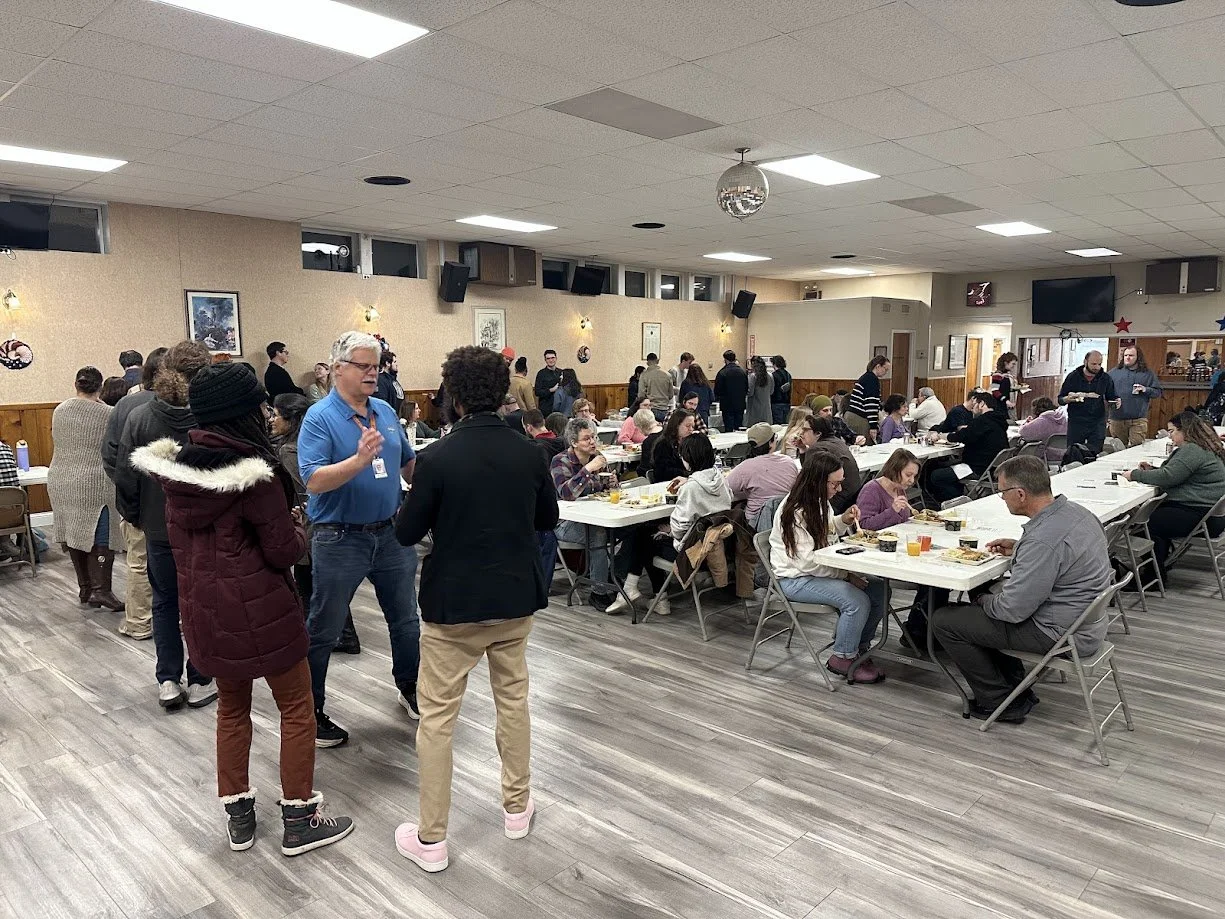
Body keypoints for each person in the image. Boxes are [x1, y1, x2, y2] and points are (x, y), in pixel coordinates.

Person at [130, 363, 355, 854]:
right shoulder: (256, 476)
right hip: (265, 610)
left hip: (207, 614)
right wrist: (297, 526)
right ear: (242, 414)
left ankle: (239, 821)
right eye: (259, 406)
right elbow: (283, 552)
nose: (266, 412)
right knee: (296, 710)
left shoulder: (177, 473)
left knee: (232, 711)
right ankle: (299, 819)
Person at [394, 345, 558, 873]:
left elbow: (407, 531)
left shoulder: (437, 458)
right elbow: (546, 517)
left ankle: (433, 838)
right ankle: (517, 807)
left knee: (438, 718)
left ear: (455, 396)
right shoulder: (529, 452)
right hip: (515, 599)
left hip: (454, 605)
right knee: (513, 701)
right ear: (502, 391)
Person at [297, 331, 420, 748]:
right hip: (339, 539)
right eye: (365, 366)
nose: (374, 373)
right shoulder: (319, 417)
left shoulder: (384, 410)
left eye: (377, 365)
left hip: (390, 534)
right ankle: (310, 712)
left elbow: (407, 465)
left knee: (405, 620)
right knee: (324, 630)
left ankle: (411, 687)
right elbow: (313, 480)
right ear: (338, 369)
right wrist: (358, 460)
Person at [931, 456, 1112, 723]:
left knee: (945, 620)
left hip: (1058, 633)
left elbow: (1012, 610)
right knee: (981, 606)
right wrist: (1020, 549)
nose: (1001, 498)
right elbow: (1063, 558)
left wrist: (983, 599)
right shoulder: (1079, 514)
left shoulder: (1042, 539)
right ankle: (1015, 688)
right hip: (1085, 624)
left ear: (1020, 494)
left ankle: (998, 701)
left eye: (1002, 491)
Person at [116, 341, 217, 709]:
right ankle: (202, 677)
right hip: (204, 528)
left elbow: (126, 473)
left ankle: (169, 680)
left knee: (164, 603)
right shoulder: (209, 416)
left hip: (158, 525)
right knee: (203, 603)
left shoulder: (140, 417)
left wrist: (135, 515)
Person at [770, 451, 887, 683]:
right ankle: (842, 657)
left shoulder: (819, 502)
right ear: (817, 481)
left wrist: (841, 521)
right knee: (856, 600)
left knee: (879, 589)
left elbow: (824, 531)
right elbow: (807, 561)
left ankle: (858, 646)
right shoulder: (795, 511)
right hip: (794, 579)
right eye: (835, 484)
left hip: (814, 571)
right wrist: (845, 575)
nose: (839, 489)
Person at [273, 393, 361, 656]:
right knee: (324, 583)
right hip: (335, 518)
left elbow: (307, 489)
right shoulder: (323, 438)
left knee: (309, 583)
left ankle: (320, 638)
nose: (272, 419)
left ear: (291, 419)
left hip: (313, 520)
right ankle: (342, 635)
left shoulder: (290, 450)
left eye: (277, 415)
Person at [608, 434, 732, 616]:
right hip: (716, 545)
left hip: (694, 552)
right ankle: (644, 594)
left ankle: (641, 592)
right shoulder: (720, 479)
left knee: (645, 536)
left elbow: (680, 528)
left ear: (688, 459)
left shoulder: (691, 489)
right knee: (647, 534)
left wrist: (669, 530)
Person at [101, 347, 169, 641]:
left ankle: (140, 622)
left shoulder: (126, 406)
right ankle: (178, 619)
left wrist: (126, 489)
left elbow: (110, 453)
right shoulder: (184, 405)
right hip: (177, 499)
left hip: (137, 500)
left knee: (138, 562)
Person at [49, 366, 126, 612]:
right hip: (94, 480)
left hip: (61, 478)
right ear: (100, 387)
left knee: (75, 533)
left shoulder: (59, 410)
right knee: (100, 535)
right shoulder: (108, 413)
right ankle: (101, 591)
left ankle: (85, 587)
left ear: (76, 384)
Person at [1124, 412, 1225, 578]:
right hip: (1212, 515)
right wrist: (1153, 471)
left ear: (1184, 431)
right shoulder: (1204, 447)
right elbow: (1177, 474)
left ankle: (1154, 576)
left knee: (1145, 522)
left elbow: (1168, 477)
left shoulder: (1192, 450)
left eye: (1171, 431)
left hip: (1203, 518)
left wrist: (1134, 475)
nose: (1169, 436)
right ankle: (1161, 562)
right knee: (1154, 515)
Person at [550, 418, 628, 612]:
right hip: (563, 522)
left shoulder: (598, 457)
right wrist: (588, 469)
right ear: (574, 442)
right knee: (598, 533)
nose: (592, 442)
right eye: (586, 439)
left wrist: (612, 483)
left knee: (629, 528)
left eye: (593, 437)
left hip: (595, 514)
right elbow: (567, 494)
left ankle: (613, 575)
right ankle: (599, 592)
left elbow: (608, 491)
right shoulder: (560, 461)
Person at [926, 392, 1009, 505]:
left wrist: (940, 436)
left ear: (982, 404)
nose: (972, 409)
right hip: (991, 468)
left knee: (936, 475)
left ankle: (959, 502)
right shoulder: (998, 421)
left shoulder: (983, 421)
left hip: (976, 468)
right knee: (940, 466)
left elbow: (962, 435)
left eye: (974, 405)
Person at [726, 422, 799, 526]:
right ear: (771, 443)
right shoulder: (789, 462)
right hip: (787, 520)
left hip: (756, 524)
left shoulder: (746, 467)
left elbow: (725, 489)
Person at [1059, 350, 1118, 454]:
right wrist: (1067, 399)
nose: (1096, 367)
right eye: (1093, 364)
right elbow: (1060, 399)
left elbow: (1112, 397)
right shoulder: (1073, 377)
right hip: (1077, 421)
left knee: (1095, 453)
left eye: (1099, 364)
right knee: (1073, 452)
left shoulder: (1105, 378)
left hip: (1097, 421)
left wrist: (1117, 401)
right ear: (1085, 362)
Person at [1107, 346, 1162, 447]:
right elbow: (1104, 391)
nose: (1127, 358)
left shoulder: (1147, 374)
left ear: (1138, 357)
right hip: (1117, 418)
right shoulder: (1113, 373)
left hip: (1138, 419)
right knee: (1119, 449)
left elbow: (1157, 392)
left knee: (1136, 448)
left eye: (1131, 355)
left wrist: (1145, 389)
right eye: (1125, 355)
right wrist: (1111, 399)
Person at [808, 416, 861, 514]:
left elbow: (810, 477)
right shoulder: (837, 441)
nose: (801, 434)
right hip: (855, 493)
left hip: (839, 497)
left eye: (805, 430)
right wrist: (803, 450)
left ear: (818, 434)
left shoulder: (817, 448)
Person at [855, 449, 919, 530]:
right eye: (908, 475)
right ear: (894, 470)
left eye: (914, 476)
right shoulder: (871, 490)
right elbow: (863, 525)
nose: (912, 480)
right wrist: (892, 511)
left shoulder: (899, 488)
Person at [847, 356, 890, 441]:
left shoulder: (866, 377)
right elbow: (871, 404)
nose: (886, 372)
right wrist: (873, 426)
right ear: (878, 366)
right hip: (860, 418)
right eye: (885, 369)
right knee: (865, 446)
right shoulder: (872, 380)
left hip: (852, 415)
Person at [649, 409, 697, 484]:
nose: (691, 429)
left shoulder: (691, 442)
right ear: (676, 425)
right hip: (669, 484)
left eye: (692, 426)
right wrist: (689, 474)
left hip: (689, 482)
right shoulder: (663, 445)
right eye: (688, 426)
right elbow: (663, 472)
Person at [1017, 397, 1067, 463]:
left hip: (1047, 455)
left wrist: (1026, 423)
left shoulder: (1043, 420)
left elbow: (1023, 432)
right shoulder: (1062, 418)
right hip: (1064, 453)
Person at [714, 350, 748, 431]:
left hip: (727, 405)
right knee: (739, 428)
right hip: (740, 404)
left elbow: (717, 390)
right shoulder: (742, 372)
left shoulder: (722, 372)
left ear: (725, 359)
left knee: (729, 429)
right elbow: (746, 388)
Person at [745, 356, 773, 427]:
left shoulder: (753, 376)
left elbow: (750, 393)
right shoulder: (770, 375)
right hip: (766, 408)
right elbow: (771, 391)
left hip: (754, 408)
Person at [533, 349, 563, 415]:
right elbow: (537, 392)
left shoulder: (561, 372)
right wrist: (551, 390)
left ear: (556, 358)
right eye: (548, 358)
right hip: (546, 409)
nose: (551, 360)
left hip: (560, 408)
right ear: (545, 360)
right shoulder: (541, 374)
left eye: (552, 358)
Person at [376, 350, 405, 416]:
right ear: (387, 363)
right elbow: (382, 404)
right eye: (394, 362)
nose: (396, 364)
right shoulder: (381, 380)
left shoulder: (393, 380)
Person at [769, 355, 792, 424]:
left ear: (774, 364)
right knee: (785, 424)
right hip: (787, 403)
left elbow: (771, 390)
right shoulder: (788, 375)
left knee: (777, 425)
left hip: (776, 403)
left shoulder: (773, 375)